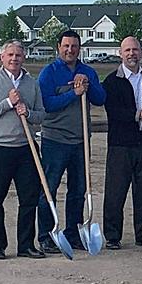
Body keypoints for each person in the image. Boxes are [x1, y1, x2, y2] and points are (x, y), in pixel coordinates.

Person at [36, 30, 106, 253]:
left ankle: (73, 234)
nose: (70, 50)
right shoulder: (49, 73)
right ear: (58, 47)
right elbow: (47, 104)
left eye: (74, 46)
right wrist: (73, 94)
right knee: (50, 189)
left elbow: (100, 98)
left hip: (81, 142)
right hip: (55, 140)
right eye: (66, 46)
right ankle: (46, 235)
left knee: (78, 190)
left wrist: (87, 85)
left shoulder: (87, 71)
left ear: (79, 48)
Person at [0, 40, 47, 260]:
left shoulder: (31, 83)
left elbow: (41, 115)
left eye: (18, 55)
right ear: (2, 58)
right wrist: (8, 102)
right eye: (10, 55)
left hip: (26, 146)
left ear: (23, 58)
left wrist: (28, 112)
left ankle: (26, 245)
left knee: (29, 198)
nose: (14, 59)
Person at [101, 36, 142, 249]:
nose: (132, 54)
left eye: (135, 50)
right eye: (128, 50)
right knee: (116, 191)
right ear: (121, 53)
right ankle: (113, 236)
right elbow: (113, 111)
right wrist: (140, 114)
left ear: (141, 52)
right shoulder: (113, 81)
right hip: (120, 144)